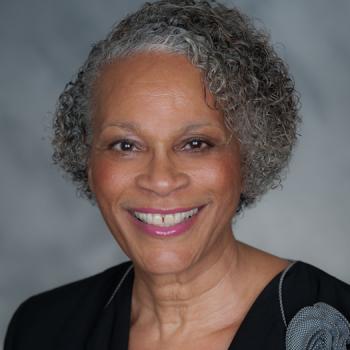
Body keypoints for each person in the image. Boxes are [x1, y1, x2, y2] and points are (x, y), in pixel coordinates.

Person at [5, 0, 350, 349]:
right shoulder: (41, 329)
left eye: (195, 143)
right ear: (87, 161)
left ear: (248, 156)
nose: (161, 179)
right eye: (126, 145)